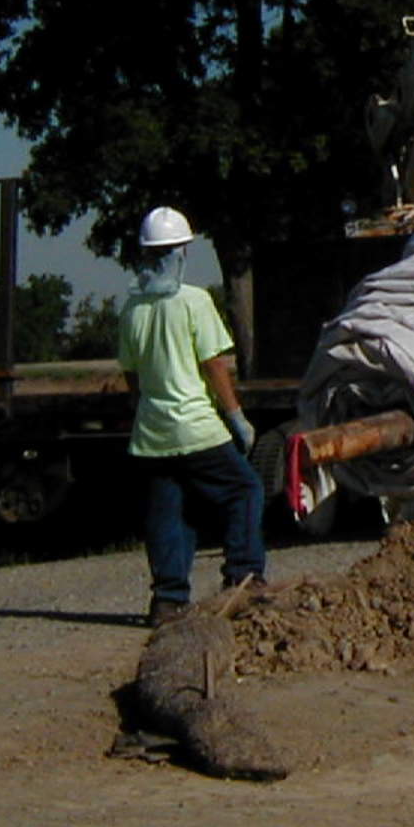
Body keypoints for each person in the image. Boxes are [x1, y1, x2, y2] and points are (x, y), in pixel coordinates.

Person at [117, 206, 266, 627]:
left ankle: (168, 601)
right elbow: (215, 365)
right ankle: (244, 580)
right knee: (245, 490)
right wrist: (235, 416)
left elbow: (132, 375)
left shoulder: (131, 309)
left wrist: (145, 410)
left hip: (152, 433)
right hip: (196, 426)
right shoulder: (194, 301)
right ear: (181, 252)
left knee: (170, 511)